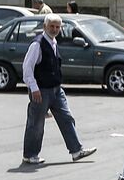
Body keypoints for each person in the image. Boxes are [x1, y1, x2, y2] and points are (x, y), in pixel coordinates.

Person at [21, 14, 97, 165]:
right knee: (36, 124)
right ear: (45, 27)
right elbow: (27, 68)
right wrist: (34, 88)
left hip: (56, 89)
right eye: (52, 26)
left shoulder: (54, 42)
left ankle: (76, 150)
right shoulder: (37, 44)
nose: (55, 29)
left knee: (66, 118)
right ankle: (30, 155)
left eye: (57, 27)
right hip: (41, 90)